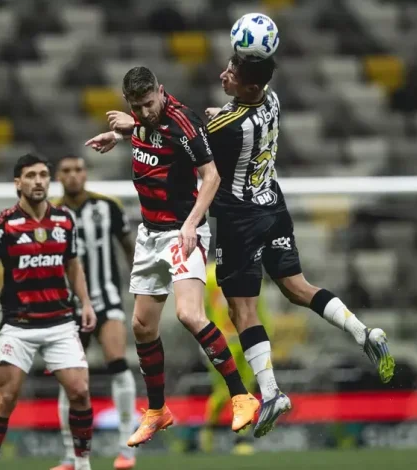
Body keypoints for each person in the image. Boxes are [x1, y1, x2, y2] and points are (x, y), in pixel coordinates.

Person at [106, 54, 396, 438]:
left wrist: (130, 128)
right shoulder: (270, 101)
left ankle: (269, 392)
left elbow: (184, 134)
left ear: (249, 86)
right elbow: (191, 121)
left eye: (232, 73)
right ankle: (363, 331)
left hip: (239, 217)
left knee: (241, 308)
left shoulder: (224, 123)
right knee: (297, 288)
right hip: (271, 202)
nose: (224, 74)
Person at [84, 66, 259, 448]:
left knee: (189, 314)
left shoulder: (183, 123)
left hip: (183, 230)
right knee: (142, 327)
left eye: (149, 104)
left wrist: (193, 224)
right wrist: (119, 134)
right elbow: (149, 131)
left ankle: (241, 395)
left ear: (161, 92)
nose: (145, 112)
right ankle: (158, 411)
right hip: (149, 233)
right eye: (137, 107)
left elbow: (211, 177)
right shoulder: (144, 120)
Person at [0, 153, 97, 470]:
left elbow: (73, 265)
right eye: (31, 175)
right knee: (6, 398)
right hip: (19, 326)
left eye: (43, 174)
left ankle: (82, 465)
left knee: (80, 392)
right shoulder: (3, 225)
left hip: (60, 322)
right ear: (18, 183)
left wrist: (86, 303)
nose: (38, 181)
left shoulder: (64, 220)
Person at [51, 155, 137, 470]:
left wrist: (139, 287)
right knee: (70, 379)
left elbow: (128, 247)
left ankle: (127, 449)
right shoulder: (52, 214)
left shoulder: (108, 206)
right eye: (66, 170)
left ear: (85, 174)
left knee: (118, 365)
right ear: (58, 176)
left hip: (107, 298)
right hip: (68, 306)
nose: (73, 175)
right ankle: (69, 455)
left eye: (78, 169)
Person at [200, 261, 271, 454]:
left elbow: (258, 307)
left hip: (244, 338)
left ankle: (241, 439)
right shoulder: (209, 276)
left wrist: (263, 335)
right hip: (220, 340)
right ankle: (208, 431)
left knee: (246, 391)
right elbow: (204, 308)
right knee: (223, 393)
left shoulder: (248, 269)